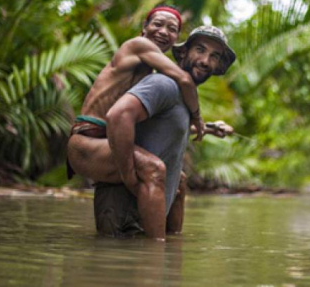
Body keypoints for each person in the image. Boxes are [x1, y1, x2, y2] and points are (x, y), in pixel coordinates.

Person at [68, 26, 236, 240]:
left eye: (214, 56)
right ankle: (156, 252)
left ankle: (166, 246)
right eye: (200, 50)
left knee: (180, 181)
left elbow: (164, 129)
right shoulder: (163, 84)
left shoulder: (182, 98)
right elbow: (118, 116)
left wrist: (211, 128)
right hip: (122, 215)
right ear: (183, 53)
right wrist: (129, 174)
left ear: (218, 65)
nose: (205, 60)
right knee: (148, 260)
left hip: (142, 216)